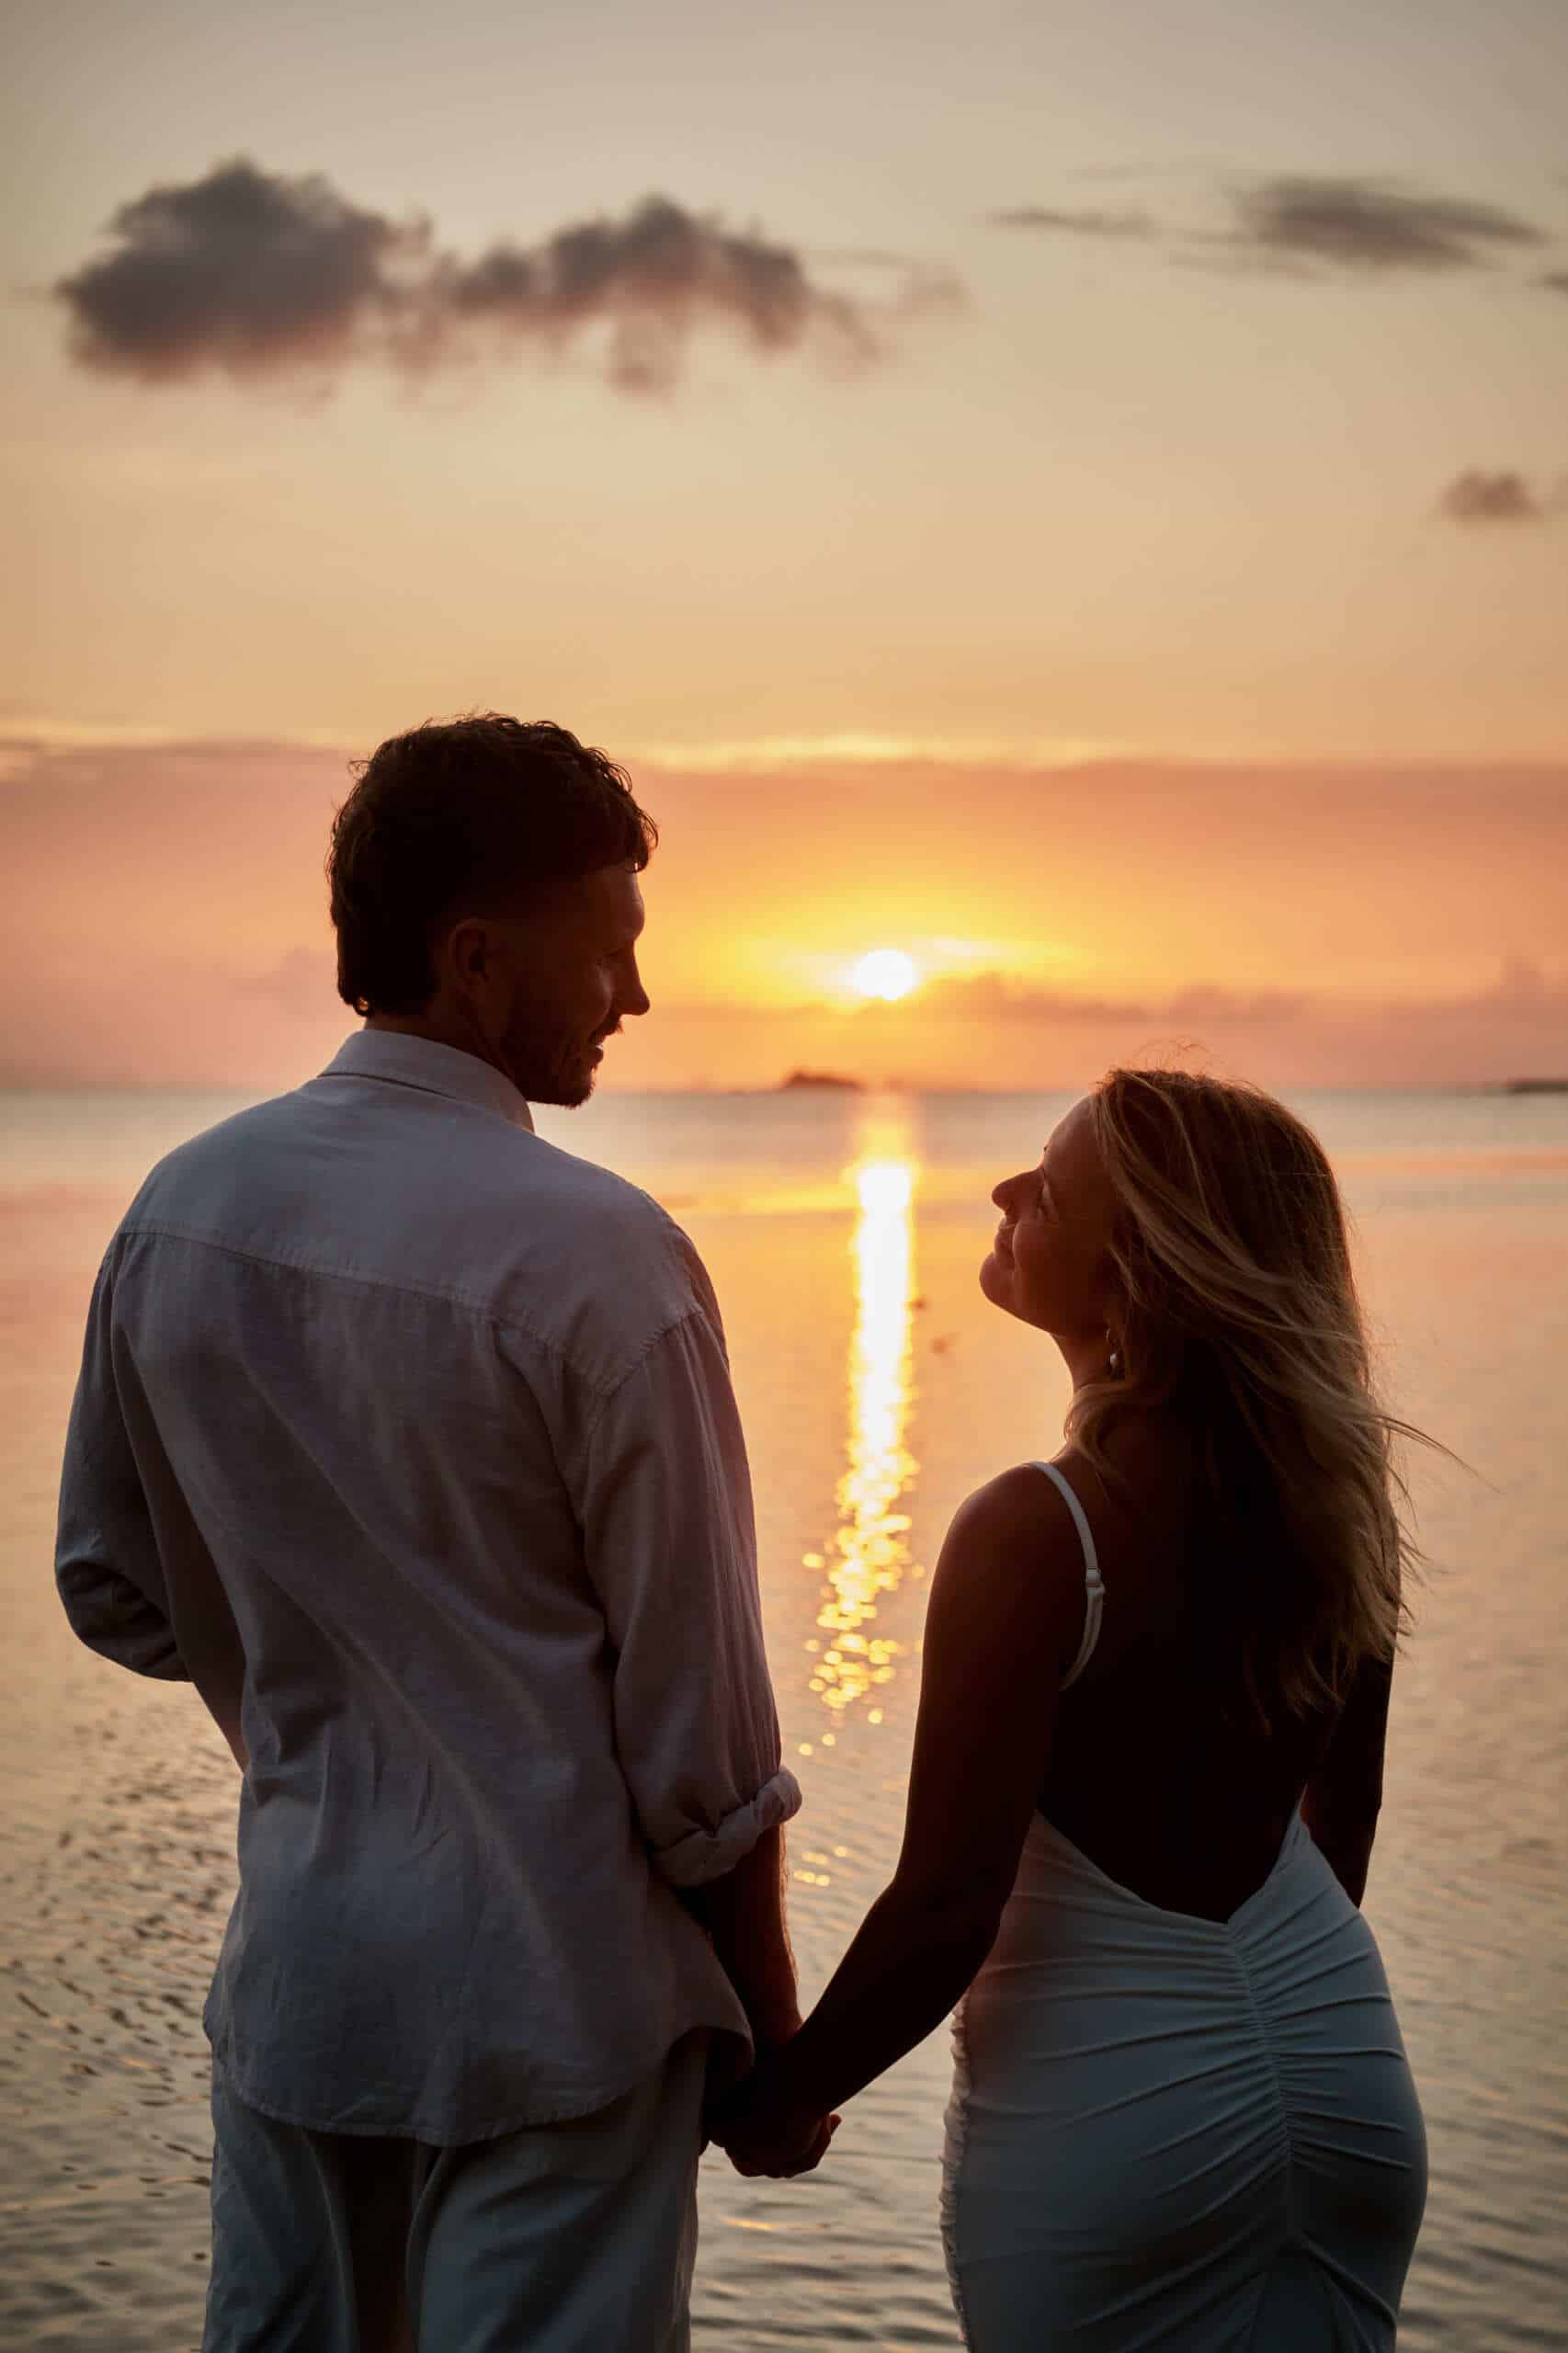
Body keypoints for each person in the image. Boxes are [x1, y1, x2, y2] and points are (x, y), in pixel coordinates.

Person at [55, 712, 831, 2353]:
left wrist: (321, 1685)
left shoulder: (181, 1207)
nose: (635, 995)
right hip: (554, 2019)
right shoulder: (601, 1260)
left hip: (306, 1994)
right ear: (476, 958)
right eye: (610, 950)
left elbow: (113, 1585)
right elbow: (700, 1753)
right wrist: (767, 2034)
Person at [715, 1068, 1429, 2347]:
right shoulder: (1333, 1500)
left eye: (1043, 1189)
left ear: (1136, 1272)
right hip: (1338, 2067)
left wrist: (781, 2099)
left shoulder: (1037, 1533)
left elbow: (945, 1909)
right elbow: (1344, 1807)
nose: (1000, 1193)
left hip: (1111, 2107)